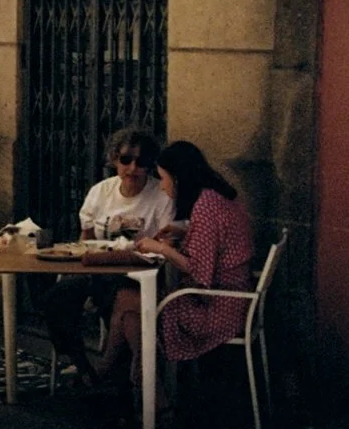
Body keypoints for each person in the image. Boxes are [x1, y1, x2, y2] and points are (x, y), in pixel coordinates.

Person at [100, 139, 253, 403]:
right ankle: (133, 383)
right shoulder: (217, 197)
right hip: (234, 298)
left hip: (215, 307)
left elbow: (199, 272)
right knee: (129, 302)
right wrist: (183, 232)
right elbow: (214, 243)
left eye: (164, 178)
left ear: (180, 178)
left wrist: (160, 249)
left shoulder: (206, 206)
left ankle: (141, 388)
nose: (162, 185)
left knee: (130, 305)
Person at [42, 128, 175, 384]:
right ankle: (81, 363)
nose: (132, 168)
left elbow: (166, 245)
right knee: (54, 300)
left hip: (138, 275)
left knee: (115, 301)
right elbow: (86, 238)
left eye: (141, 162)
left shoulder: (160, 196)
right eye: (125, 160)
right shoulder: (101, 192)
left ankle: (115, 378)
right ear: (114, 159)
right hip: (98, 269)